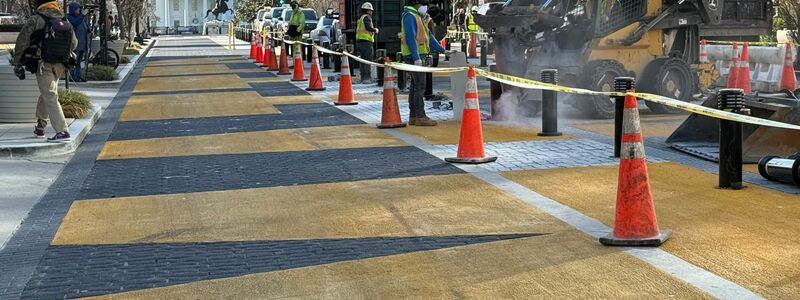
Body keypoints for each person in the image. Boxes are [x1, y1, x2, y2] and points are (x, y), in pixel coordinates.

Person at [12, 0, 77, 142]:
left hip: (43, 64)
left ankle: (62, 131)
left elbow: (22, 42)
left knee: (50, 95)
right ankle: (41, 126)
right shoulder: (63, 19)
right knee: (48, 93)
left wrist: (17, 63)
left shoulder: (36, 19)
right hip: (61, 64)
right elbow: (74, 43)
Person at [401, 0, 447, 126]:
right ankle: (420, 116)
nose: (426, 8)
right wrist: (416, 58)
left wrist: (443, 51)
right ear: (418, 4)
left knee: (415, 86)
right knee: (420, 86)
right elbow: (411, 37)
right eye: (424, 5)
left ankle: (414, 116)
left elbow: (429, 37)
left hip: (417, 55)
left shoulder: (417, 17)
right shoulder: (410, 16)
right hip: (414, 56)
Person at [356, 2, 378, 84]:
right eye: (371, 10)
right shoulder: (367, 17)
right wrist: (375, 30)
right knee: (368, 60)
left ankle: (363, 77)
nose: (371, 12)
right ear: (367, 10)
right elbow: (368, 27)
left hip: (360, 42)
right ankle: (367, 78)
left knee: (362, 60)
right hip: (366, 42)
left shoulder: (360, 18)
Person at [67, 2, 89, 82]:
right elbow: (75, 23)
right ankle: (72, 77)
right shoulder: (69, 18)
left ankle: (78, 76)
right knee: (74, 61)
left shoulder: (81, 18)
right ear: (73, 9)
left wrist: (89, 30)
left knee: (79, 62)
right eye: (78, 9)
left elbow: (86, 26)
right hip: (75, 44)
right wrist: (83, 15)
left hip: (83, 44)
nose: (79, 10)